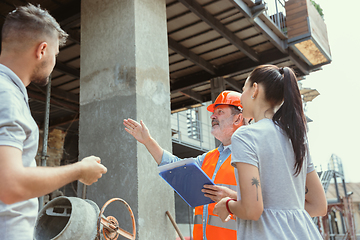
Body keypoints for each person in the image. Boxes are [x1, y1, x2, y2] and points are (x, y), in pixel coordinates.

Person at [0, 4, 107, 240]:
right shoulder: (6, 95)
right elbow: (10, 185)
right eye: (56, 55)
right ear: (42, 50)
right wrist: (80, 170)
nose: (54, 62)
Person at [213, 65, 327, 239]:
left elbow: (251, 210)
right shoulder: (296, 137)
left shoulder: (245, 135)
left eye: (243, 89)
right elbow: (319, 206)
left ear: (255, 89)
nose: (242, 96)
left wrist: (227, 205)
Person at [124, 90, 246, 240]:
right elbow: (176, 166)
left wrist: (231, 196)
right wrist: (148, 141)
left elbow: (266, 205)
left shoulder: (251, 156)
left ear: (238, 118)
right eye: (214, 112)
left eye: (220, 112)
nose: (212, 116)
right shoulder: (209, 157)